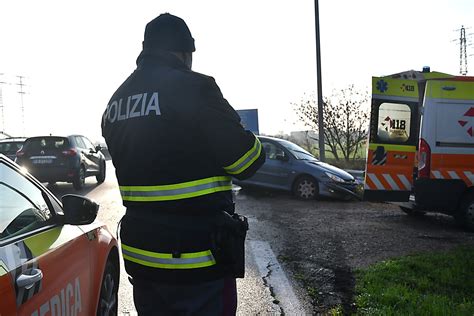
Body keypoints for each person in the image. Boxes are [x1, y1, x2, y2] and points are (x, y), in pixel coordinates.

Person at [101, 13, 265, 315]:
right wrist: (246, 133)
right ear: (184, 52)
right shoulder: (195, 88)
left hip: (143, 259)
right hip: (197, 259)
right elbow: (247, 162)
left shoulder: (115, 102)